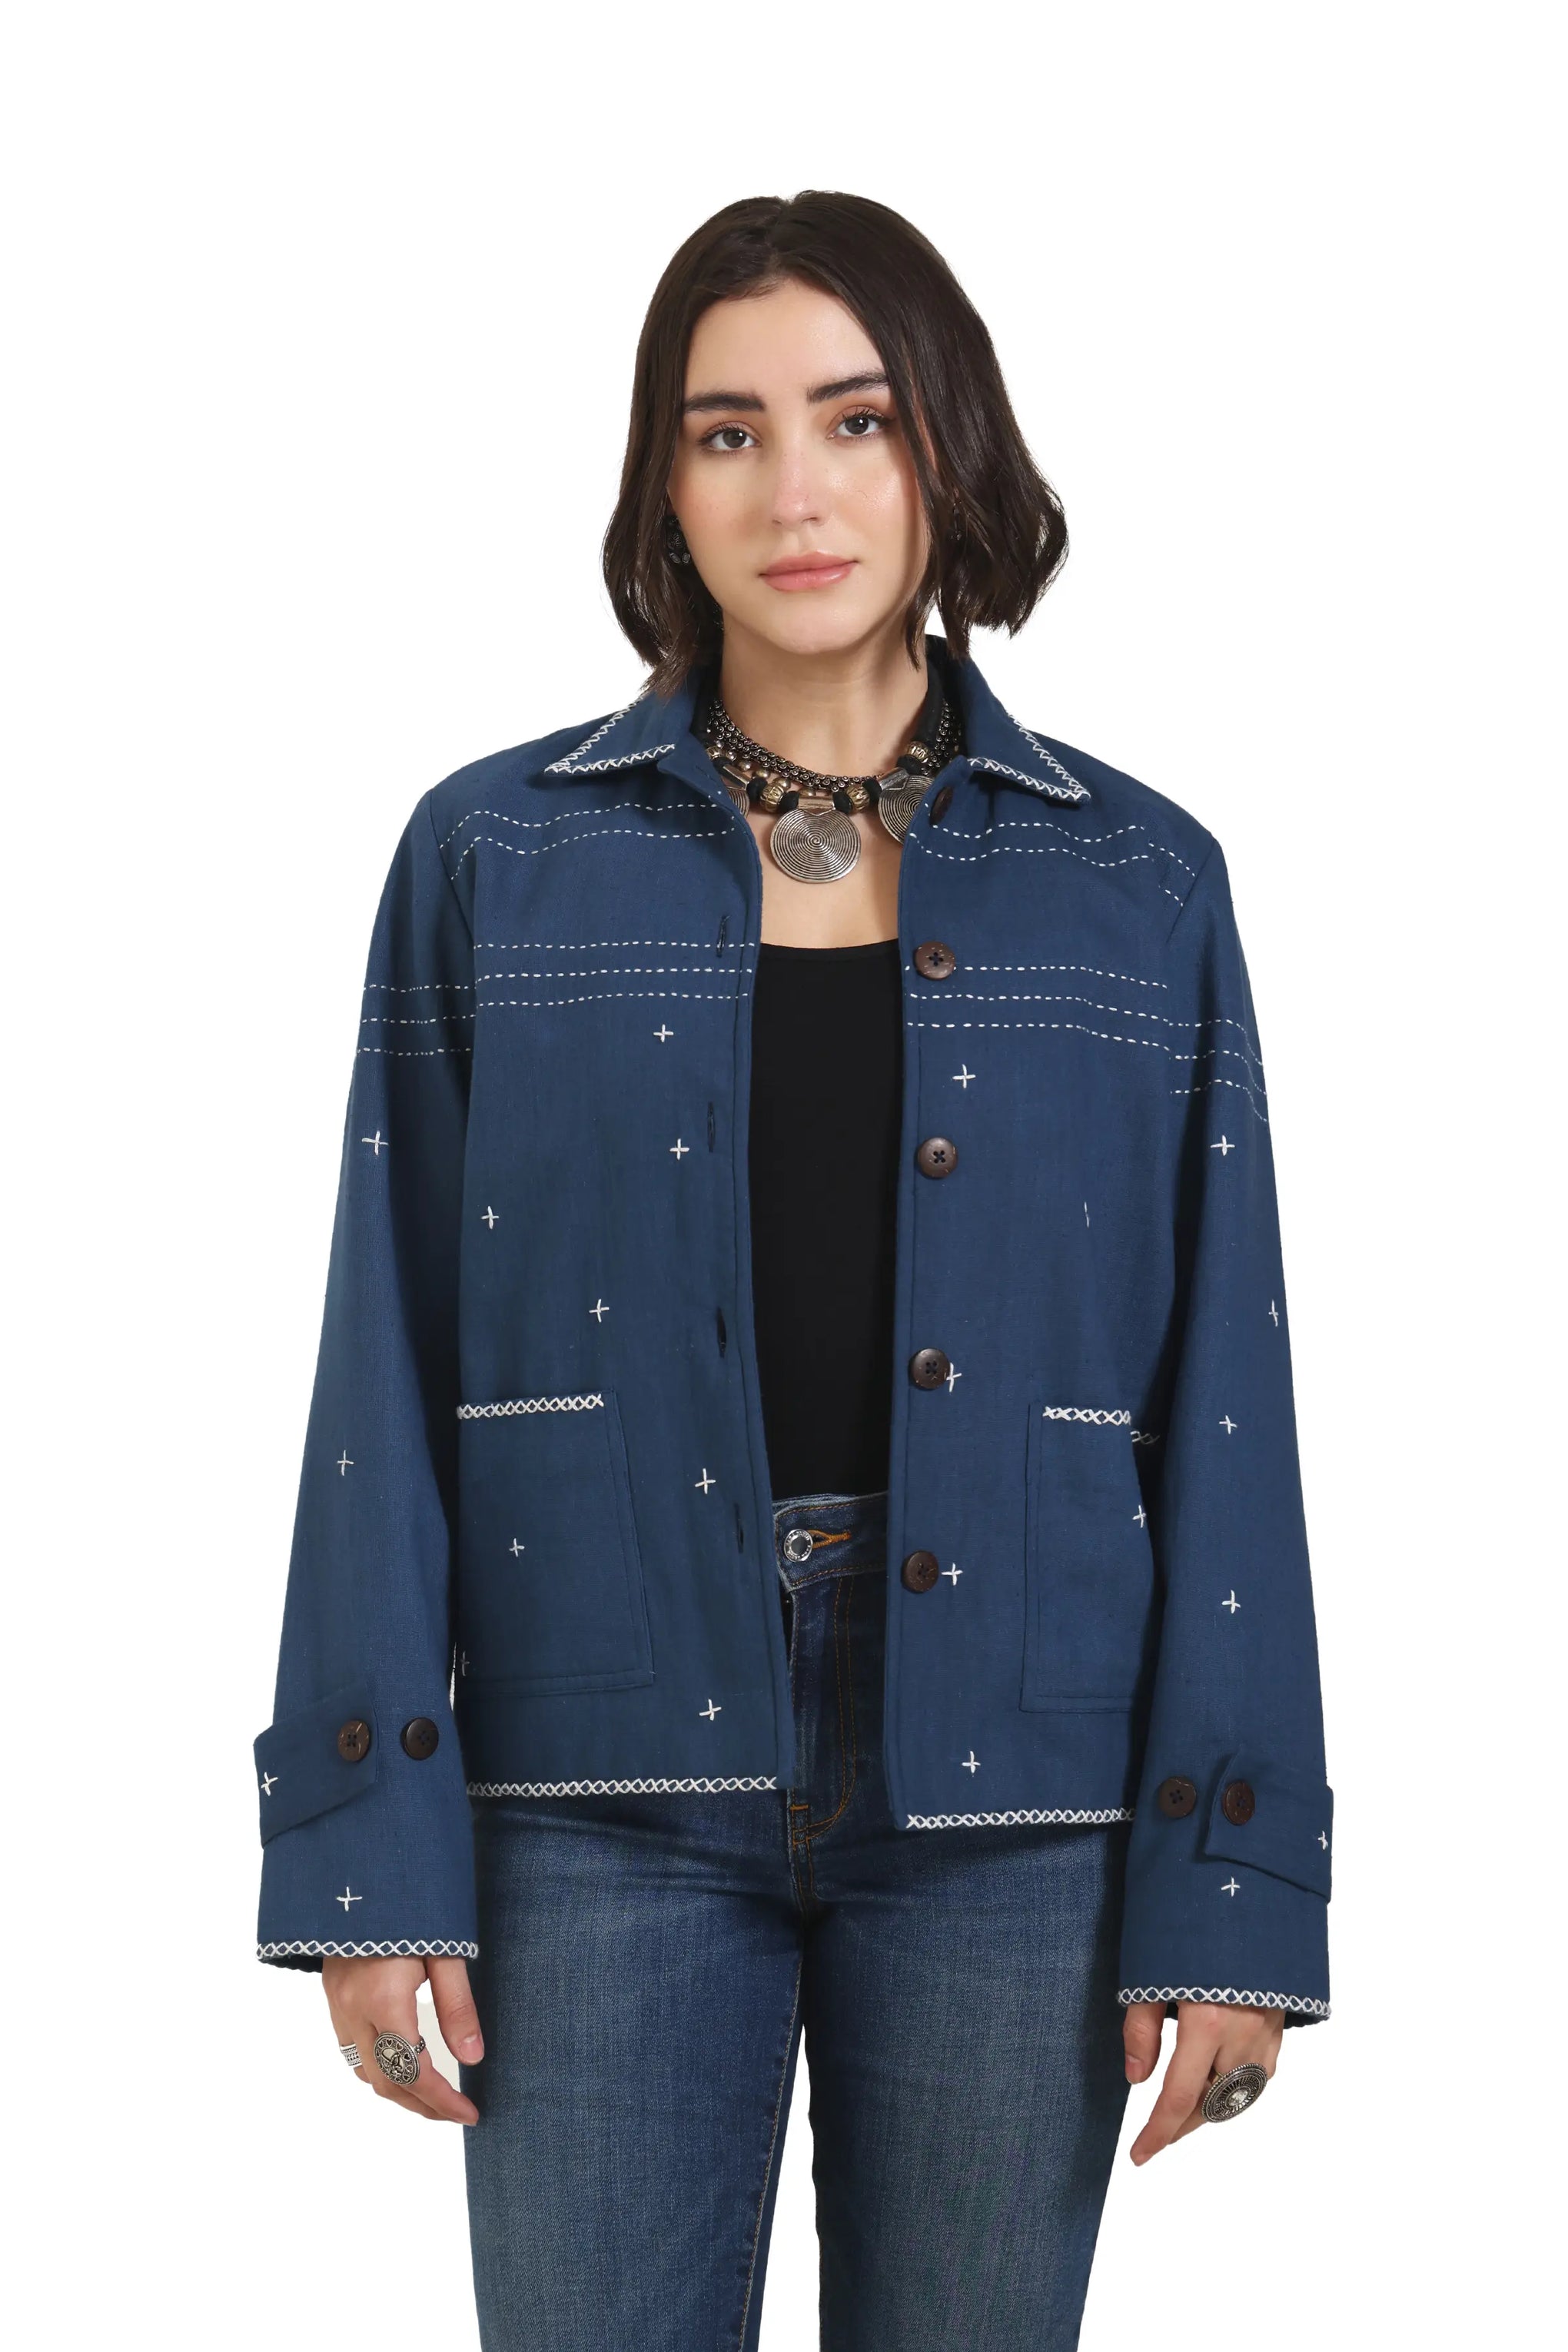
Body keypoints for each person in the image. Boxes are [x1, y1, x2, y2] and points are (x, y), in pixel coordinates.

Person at [251, 191, 1333, 2350]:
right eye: (724, 431)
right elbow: (386, 1361)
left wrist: (1232, 1876)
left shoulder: (1138, 882)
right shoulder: (498, 857)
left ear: (949, 448)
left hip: (1018, 1791)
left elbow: (1227, 1392)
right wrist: (367, 1847)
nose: (794, 492)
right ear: (662, 482)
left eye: (855, 420)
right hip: (595, 1778)